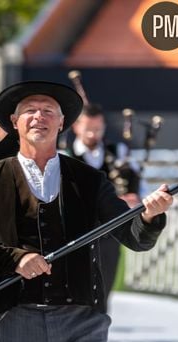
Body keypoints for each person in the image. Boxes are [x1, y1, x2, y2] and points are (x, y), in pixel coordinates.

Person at [0, 81, 173, 342]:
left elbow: (133, 235)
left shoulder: (90, 179)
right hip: (14, 317)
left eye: (48, 110)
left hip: (83, 320)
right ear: (14, 121)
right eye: (30, 110)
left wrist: (150, 215)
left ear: (62, 122)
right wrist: (13, 259)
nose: (39, 116)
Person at [66, 103, 141, 301]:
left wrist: (134, 200)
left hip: (111, 233)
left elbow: (135, 186)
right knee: (75, 292)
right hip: (75, 234)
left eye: (98, 129)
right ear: (76, 127)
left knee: (103, 291)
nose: (93, 134)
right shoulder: (64, 156)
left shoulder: (119, 152)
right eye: (88, 128)